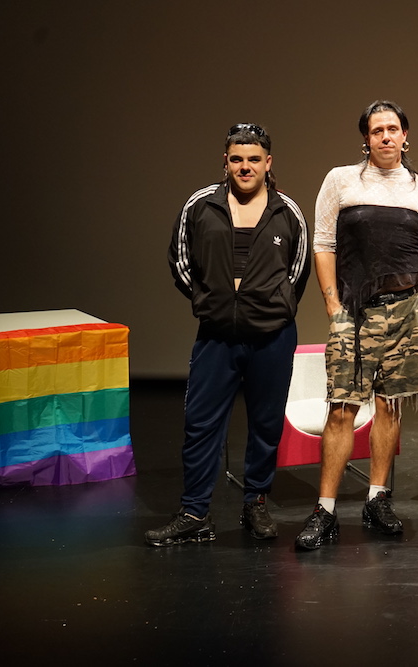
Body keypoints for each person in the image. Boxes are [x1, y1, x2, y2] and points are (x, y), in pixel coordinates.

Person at [147, 123, 311, 547]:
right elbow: (181, 260)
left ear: (268, 163)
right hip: (216, 335)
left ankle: (255, 503)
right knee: (201, 424)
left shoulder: (287, 211)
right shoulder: (201, 205)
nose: (245, 167)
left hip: (272, 337)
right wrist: (211, 302)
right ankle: (194, 512)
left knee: (266, 425)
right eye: (237, 159)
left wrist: (273, 306)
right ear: (225, 161)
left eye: (254, 159)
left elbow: (297, 271)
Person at [295, 100, 418, 550]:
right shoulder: (341, 180)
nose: (385, 136)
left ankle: (377, 499)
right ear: (366, 138)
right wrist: (332, 304)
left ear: (405, 136)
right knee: (342, 407)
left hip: (407, 311)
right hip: (355, 311)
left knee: (389, 406)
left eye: (392, 128)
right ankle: (325, 509)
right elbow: (323, 244)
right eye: (377, 130)